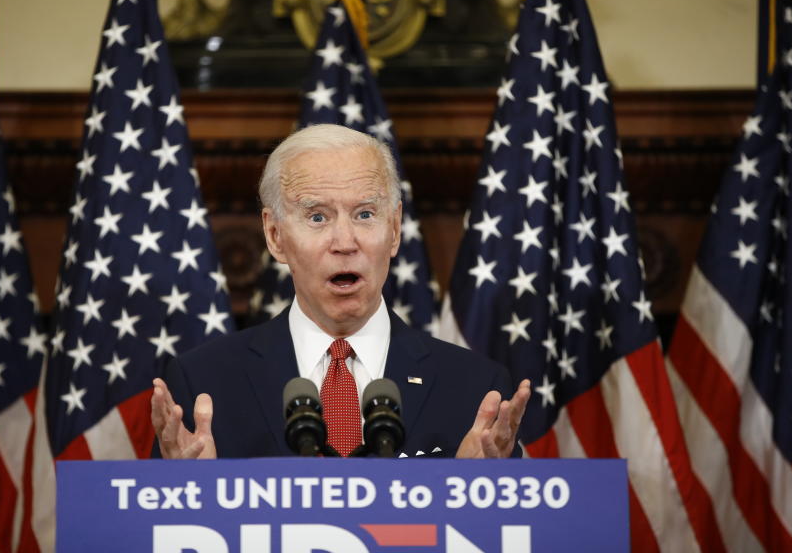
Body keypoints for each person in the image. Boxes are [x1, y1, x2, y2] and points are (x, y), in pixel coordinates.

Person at [151, 124, 530, 459]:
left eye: (365, 214)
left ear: (395, 229)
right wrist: (192, 490)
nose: (345, 242)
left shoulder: (476, 388)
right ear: (275, 235)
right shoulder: (203, 384)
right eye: (317, 217)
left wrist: (471, 490)